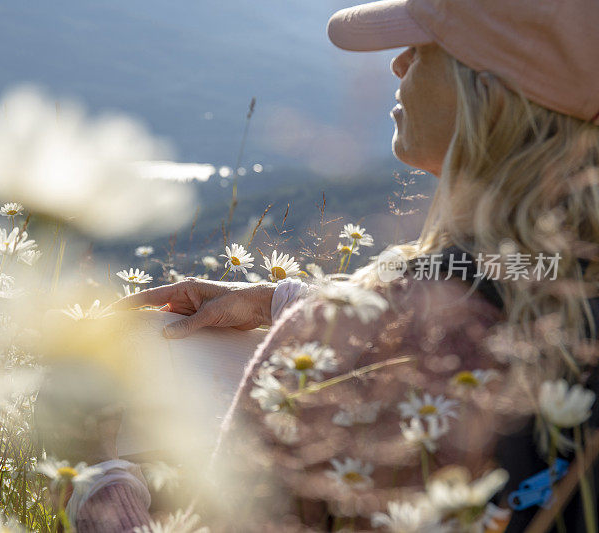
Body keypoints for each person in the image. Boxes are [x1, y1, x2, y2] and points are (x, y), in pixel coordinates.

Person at [68, 0, 599, 530]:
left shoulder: (354, 350)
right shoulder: (567, 289)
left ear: (490, 98)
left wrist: (97, 484)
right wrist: (276, 300)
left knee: (144, 351)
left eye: (424, 50)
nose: (398, 64)